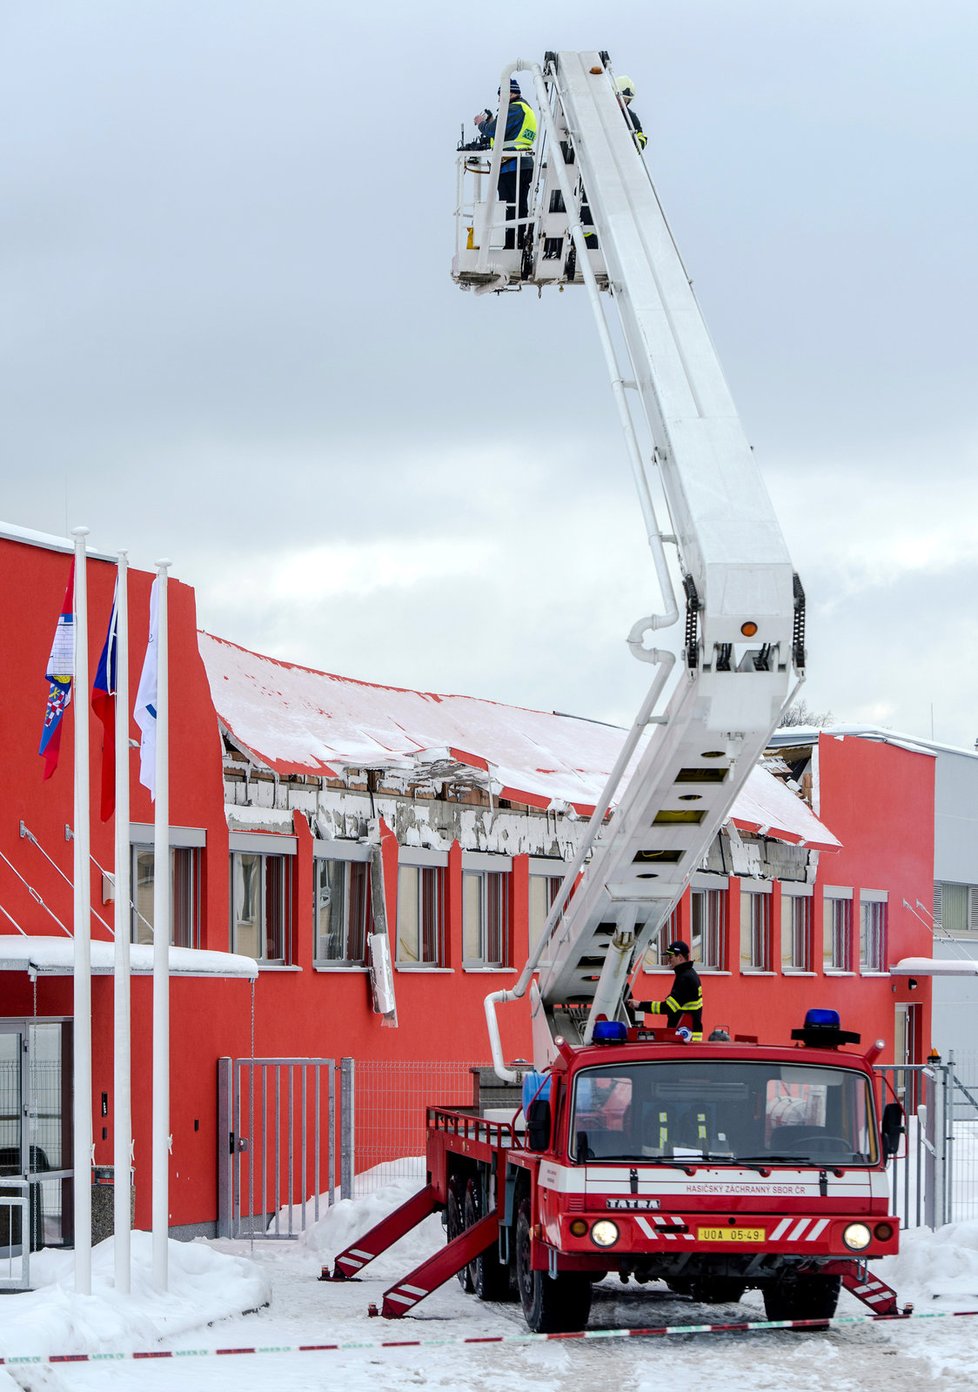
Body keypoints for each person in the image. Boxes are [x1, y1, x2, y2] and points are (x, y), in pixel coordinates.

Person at [473, 79, 537, 248]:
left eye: (500, 95)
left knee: (509, 205)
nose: (499, 100)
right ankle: (519, 241)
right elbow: (508, 132)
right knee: (520, 205)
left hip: (511, 165)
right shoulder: (524, 108)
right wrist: (493, 120)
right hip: (522, 163)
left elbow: (493, 130)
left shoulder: (514, 109)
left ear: (509, 93)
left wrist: (482, 123)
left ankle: (512, 243)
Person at [631, 940, 703, 1041]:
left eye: (671, 957)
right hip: (687, 1037)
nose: (669, 960)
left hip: (685, 1038)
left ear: (680, 957)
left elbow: (668, 1007)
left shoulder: (685, 978)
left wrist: (640, 1005)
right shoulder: (689, 974)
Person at [615, 75, 647, 151]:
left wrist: (638, 143)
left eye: (626, 101)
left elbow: (641, 135)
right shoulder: (599, 109)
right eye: (620, 99)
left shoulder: (630, 118)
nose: (622, 103)